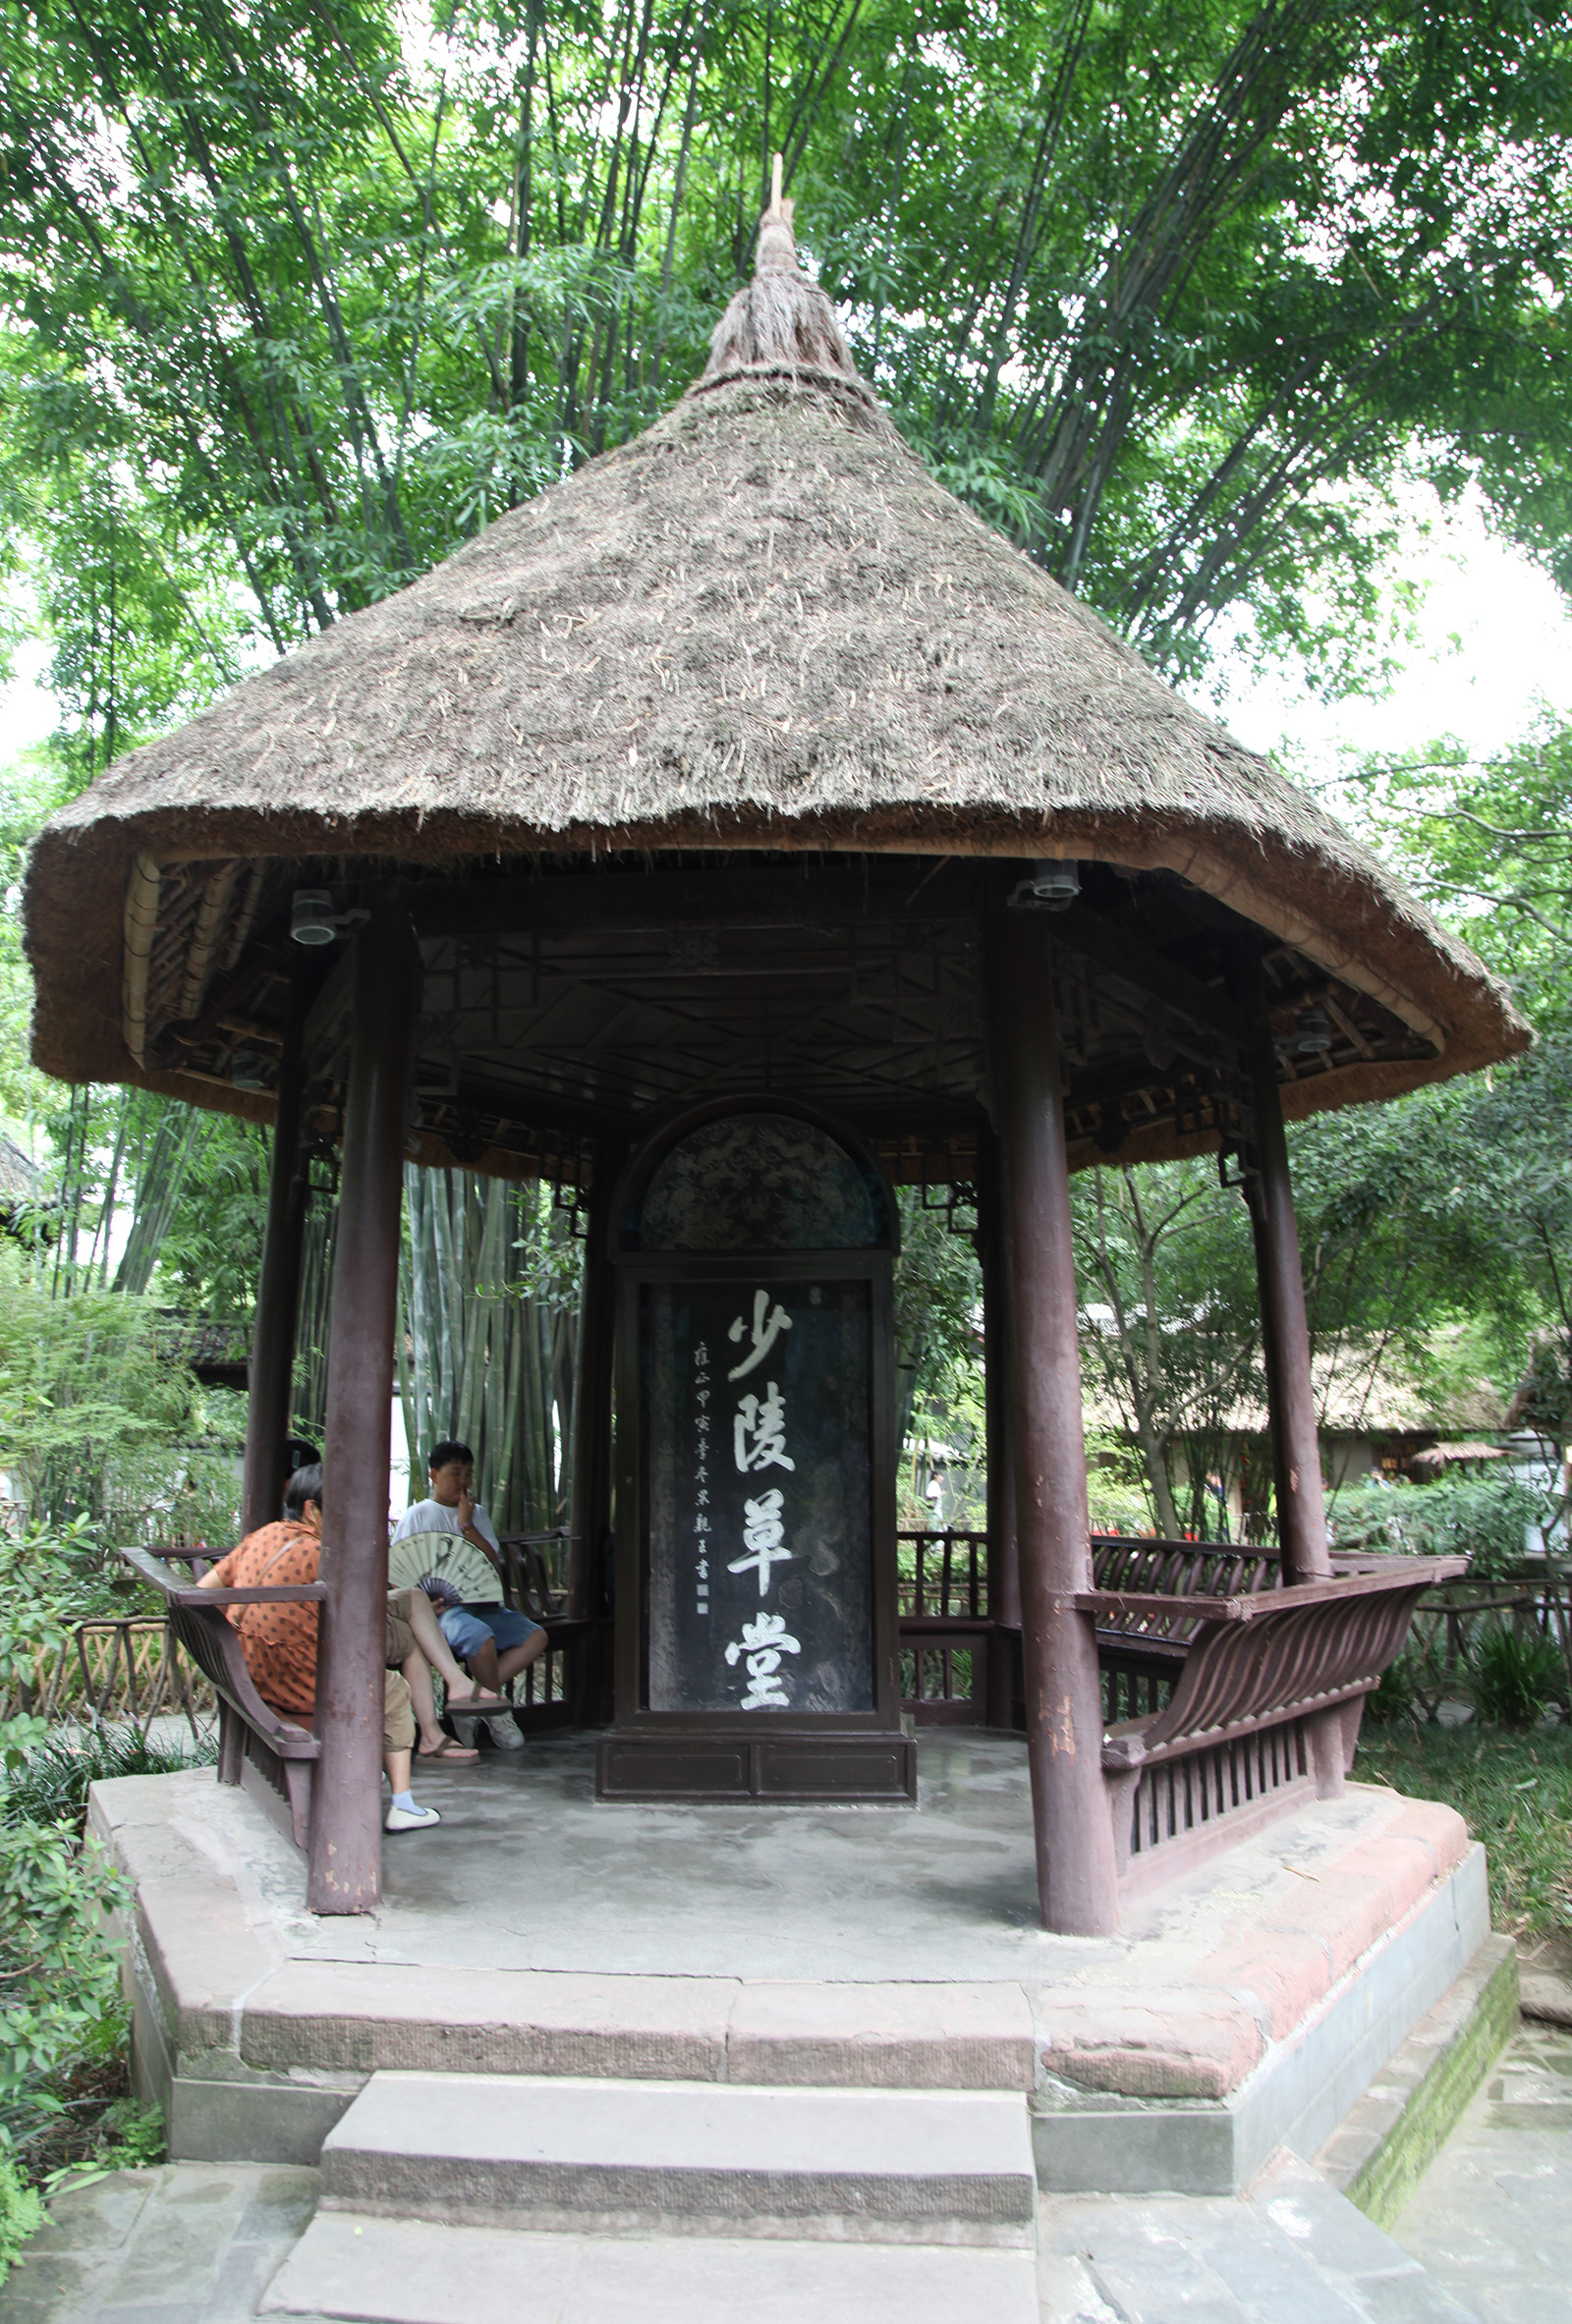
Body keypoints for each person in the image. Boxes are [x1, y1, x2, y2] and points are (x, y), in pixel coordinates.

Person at [199, 1464, 512, 1829]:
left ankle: (440, 1714)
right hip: (295, 1680)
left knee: (412, 1604)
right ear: (311, 1510)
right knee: (393, 1680)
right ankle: (403, 1801)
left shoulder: (262, 1535)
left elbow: (203, 1591)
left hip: (249, 1669)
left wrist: (250, 1625)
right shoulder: (322, 1554)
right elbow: (359, 1619)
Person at [391, 1441, 545, 1751]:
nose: (463, 1481)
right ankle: (497, 1709)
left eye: (468, 1474)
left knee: (536, 1637)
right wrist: (424, 1605)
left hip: (485, 1606)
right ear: (434, 1474)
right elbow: (399, 1571)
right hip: (445, 1611)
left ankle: (476, 1700)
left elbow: (491, 1560)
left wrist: (466, 1524)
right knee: (481, 1639)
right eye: (455, 1473)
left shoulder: (478, 1515)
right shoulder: (417, 1515)